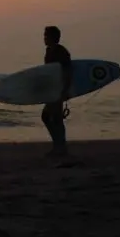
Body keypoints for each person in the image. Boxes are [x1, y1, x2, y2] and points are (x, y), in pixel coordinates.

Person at [42, 25, 72, 156]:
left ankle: (60, 148)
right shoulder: (49, 51)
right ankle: (59, 146)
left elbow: (67, 71)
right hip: (51, 88)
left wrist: (65, 90)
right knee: (49, 117)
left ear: (53, 37)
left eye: (46, 36)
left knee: (55, 118)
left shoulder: (61, 52)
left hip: (59, 88)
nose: (44, 38)